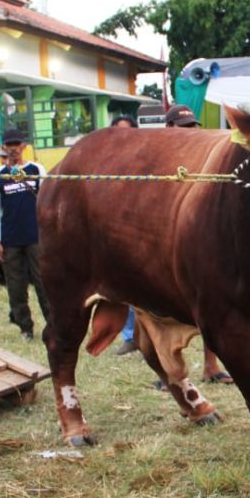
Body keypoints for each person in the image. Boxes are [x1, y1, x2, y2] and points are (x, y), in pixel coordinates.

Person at [163, 104, 233, 382]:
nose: (190, 133)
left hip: (200, 240)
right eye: (183, 129)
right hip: (164, 242)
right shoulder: (158, 161)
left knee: (210, 300)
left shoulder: (206, 160)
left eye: (193, 127)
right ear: (169, 130)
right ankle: (166, 368)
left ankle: (211, 365)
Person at [0, 128, 50, 341]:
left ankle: (53, 325)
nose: (14, 149)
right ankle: (25, 328)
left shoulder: (37, 169)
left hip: (36, 237)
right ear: (4, 148)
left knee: (44, 283)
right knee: (16, 287)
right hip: (10, 238)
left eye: (17, 145)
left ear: (24, 146)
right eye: (9, 145)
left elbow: (48, 202)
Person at [108, 114, 142, 355]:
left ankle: (148, 339)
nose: (122, 138)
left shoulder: (143, 162)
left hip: (143, 235)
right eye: (117, 132)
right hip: (115, 235)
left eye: (127, 133)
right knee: (123, 289)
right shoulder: (104, 164)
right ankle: (130, 337)